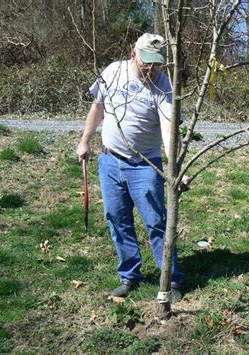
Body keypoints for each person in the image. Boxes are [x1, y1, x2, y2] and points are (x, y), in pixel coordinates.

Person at [76, 33, 188, 301]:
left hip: (145, 165)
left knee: (157, 222)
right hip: (110, 161)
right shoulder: (114, 72)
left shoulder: (163, 86)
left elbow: (169, 128)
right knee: (118, 220)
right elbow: (97, 107)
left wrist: (176, 169)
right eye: (146, 62)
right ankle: (129, 276)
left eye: (156, 64)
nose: (151, 69)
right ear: (132, 54)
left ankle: (170, 280)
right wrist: (84, 141)